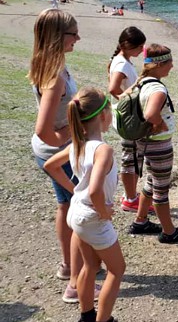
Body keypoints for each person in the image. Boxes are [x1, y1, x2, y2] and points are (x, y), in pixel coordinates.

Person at [44, 88, 125, 322]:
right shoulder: (103, 150)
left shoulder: (77, 144)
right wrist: (104, 211)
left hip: (76, 213)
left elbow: (50, 165)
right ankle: (103, 320)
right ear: (103, 116)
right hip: (92, 218)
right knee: (117, 270)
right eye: (110, 110)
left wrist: (73, 191)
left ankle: (87, 316)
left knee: (89, 266)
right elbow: (94, 190)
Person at [28, 8, 92, 302]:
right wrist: (71, 132)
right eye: (73, 33)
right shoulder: (56, 77)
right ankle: (76, 282)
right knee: (78, 211)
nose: (78, 38)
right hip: (58, 154)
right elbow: (44, 130)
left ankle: (69, 266)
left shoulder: (47, 64)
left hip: (53, 153)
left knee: (65, 206)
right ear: (57, 37)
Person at [127, 44, 178, 244]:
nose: (172, 66)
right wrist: (161, 124)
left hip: (146, 143)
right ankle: (169, 232)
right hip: (158, 146)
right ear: (158, 65)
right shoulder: (157, 88)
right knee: (161, 189)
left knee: (151, 181)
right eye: (169, 63)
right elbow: (150, 114)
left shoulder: (141, 82)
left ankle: (141, 221)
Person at [107, 27, 150, 214]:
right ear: (128, 45)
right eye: (139, 46)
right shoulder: (122, 65)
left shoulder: (123, 61)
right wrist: (129, 104)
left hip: (127, 118)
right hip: (128, 120)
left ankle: (130, 195)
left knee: (133, 157)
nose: (142, 50)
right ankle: (131, 199)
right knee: (130, 158)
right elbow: (113, 88)